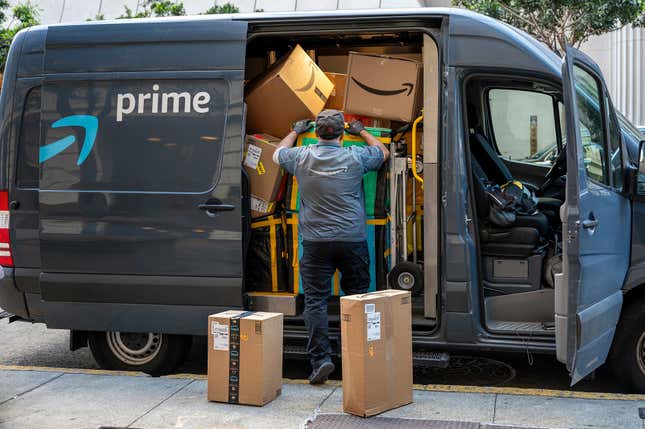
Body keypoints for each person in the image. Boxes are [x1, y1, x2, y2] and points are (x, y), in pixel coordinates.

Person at [272, 109, 390, 384]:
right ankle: (357, 360)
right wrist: (361, 130)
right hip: (351, 240)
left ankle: (321, 361)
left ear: (315, 133)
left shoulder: (301, 156)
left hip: (315, 243)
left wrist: (294, 130)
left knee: (315, 301)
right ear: (340, 133)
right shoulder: (355, 156)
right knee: (357, 299)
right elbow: (382, 152)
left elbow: (278, 153)